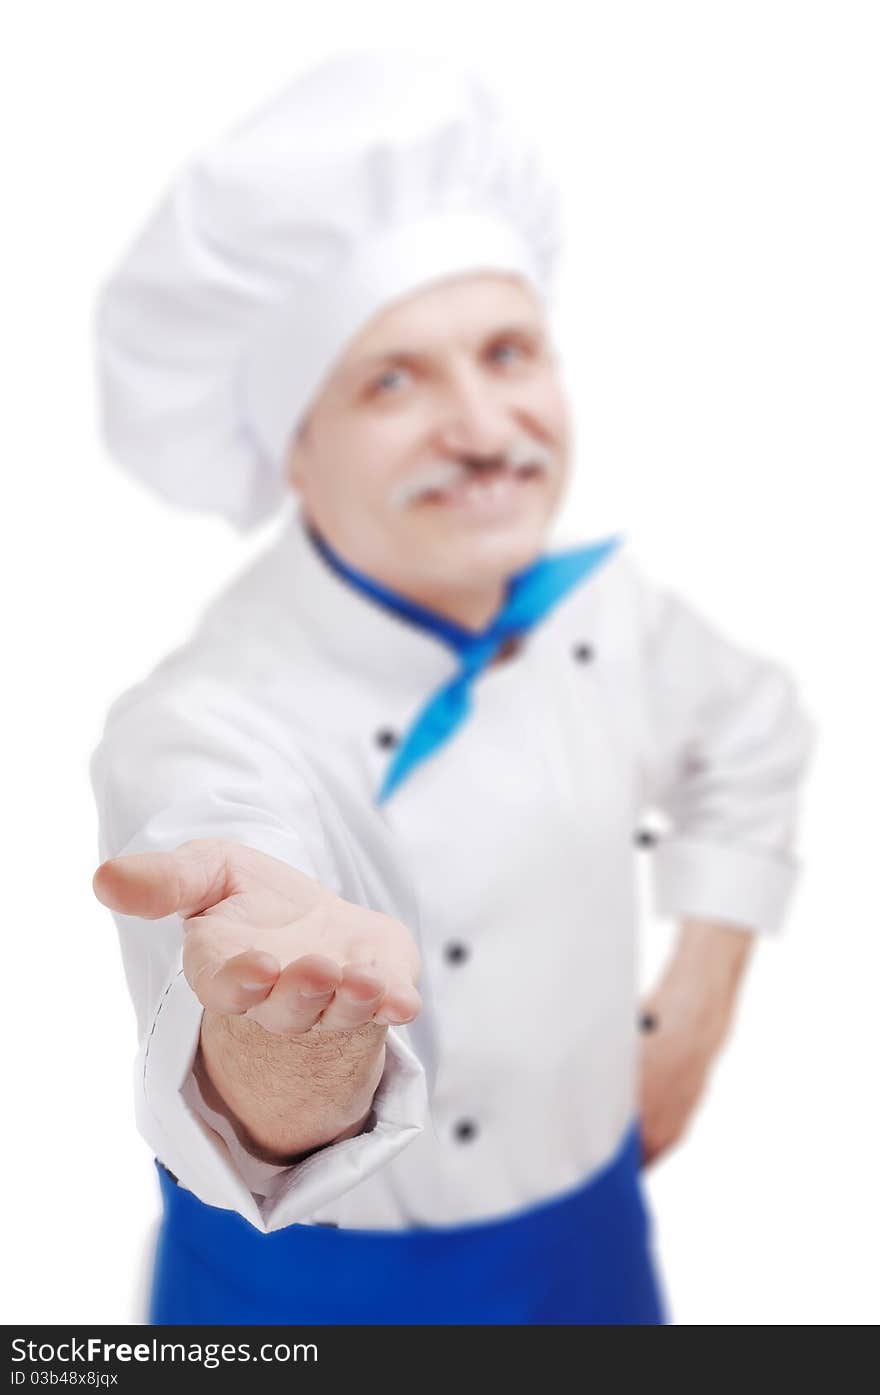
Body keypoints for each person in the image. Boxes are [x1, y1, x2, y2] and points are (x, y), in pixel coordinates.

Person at [89, 49, 817, 1326]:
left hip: (593, 1253)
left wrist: (694, 1004)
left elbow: (752, 735)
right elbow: (238, 953)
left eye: (507, 351)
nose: (485, 428)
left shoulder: (612, 614)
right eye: (393, 379)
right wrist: (290, 1039)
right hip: (305, 1305)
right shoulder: (204, 720)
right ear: (291, 452)